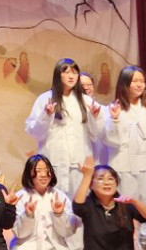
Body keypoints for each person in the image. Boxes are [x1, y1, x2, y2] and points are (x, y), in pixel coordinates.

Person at [24, 58, 103, 197]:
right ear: (58, 75)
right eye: (66, 72)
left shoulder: (86, 101)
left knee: (79, 201)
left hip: (78, 162)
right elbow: (34, 132)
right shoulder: (45, 99)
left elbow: (96, 135)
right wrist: (46, 115)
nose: (71, 76)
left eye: (74, 73)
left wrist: (95, 118)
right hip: (53, 161)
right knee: (53, 201)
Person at [102, 65, 146, 207]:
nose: (139, 85)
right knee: (126, 207)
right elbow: (110, 141)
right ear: (124, 83)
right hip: (123, 166)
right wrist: (114, 119)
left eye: (142, 81)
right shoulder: (112, 109)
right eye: (135, 81)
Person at [11, 155, 78, 250]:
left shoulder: (60, 196)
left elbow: (67, 231)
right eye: (38, 170)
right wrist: (28, 215)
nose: (43, 174)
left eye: (46, 170)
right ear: (29, 173)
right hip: (28, 245)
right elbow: (19, 233)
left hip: (54, 245)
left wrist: (59, 214)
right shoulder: (21, 196)